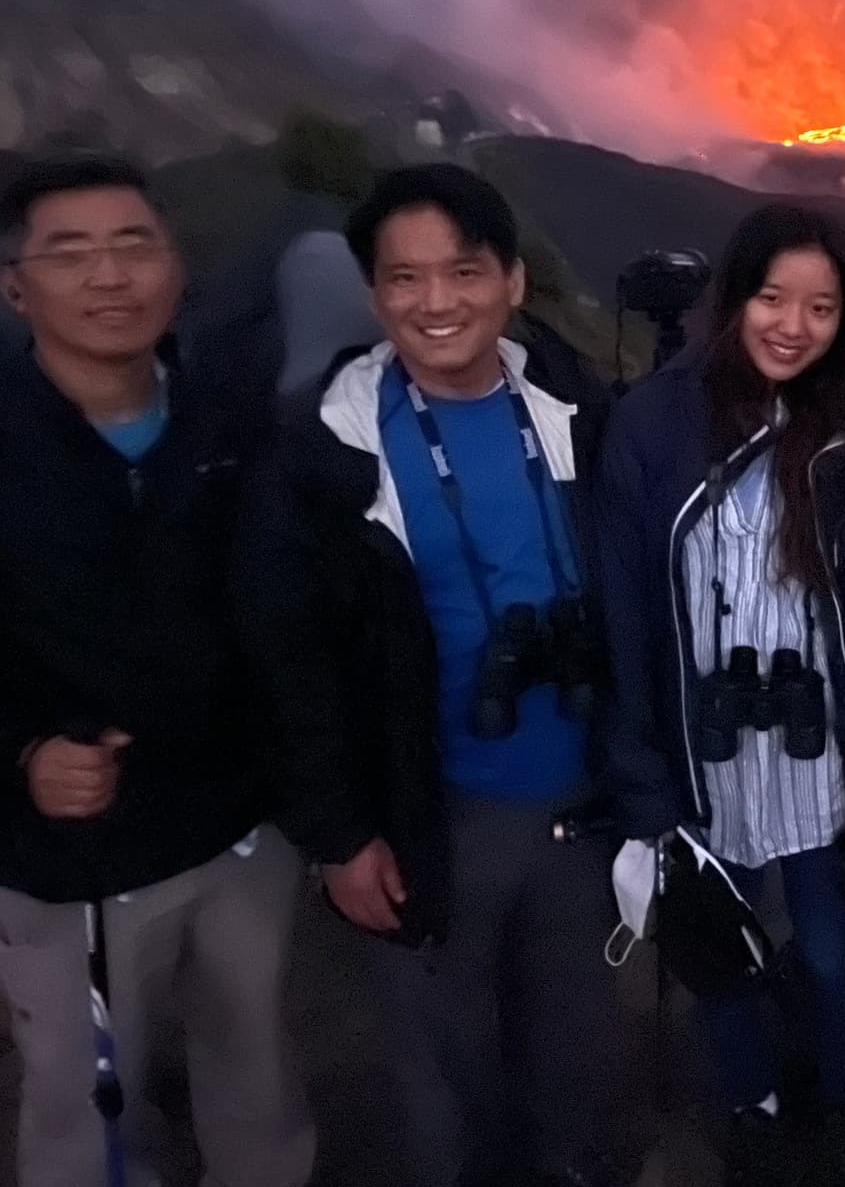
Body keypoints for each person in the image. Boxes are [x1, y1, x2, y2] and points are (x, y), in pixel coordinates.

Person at [238, 163, 619, 1187]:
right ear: (374, 298)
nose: (436, 302)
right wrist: (341, 837)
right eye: (405, 279)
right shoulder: (324, 453)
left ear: (513, 282)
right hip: (426, 815)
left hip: (583, 812)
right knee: (443, 1072)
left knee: (572, 1051)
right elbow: (293, 664)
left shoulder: (576, 406)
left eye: (463, 271)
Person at [0, 156, 314, 1187]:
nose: (109, 277)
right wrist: (23, 755)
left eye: (134, 245)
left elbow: (287, 615)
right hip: (72, 857)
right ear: (16, 286)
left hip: (237, 836)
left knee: (258, 1079)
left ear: (177, 267)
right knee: (83, 1107)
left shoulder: (227, 422)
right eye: (70, 253)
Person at [598, 204, 845, 1187]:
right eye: (773, 297)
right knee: (720, 954)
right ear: (736, 298)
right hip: (702, 748)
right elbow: (627, 610)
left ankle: (839, 1095)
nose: (791, 324)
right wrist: (643, 777)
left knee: (832, 954)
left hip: (812, 751)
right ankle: (752, 1104)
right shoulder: (655, 422)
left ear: (842, 322)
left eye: (819, 306)